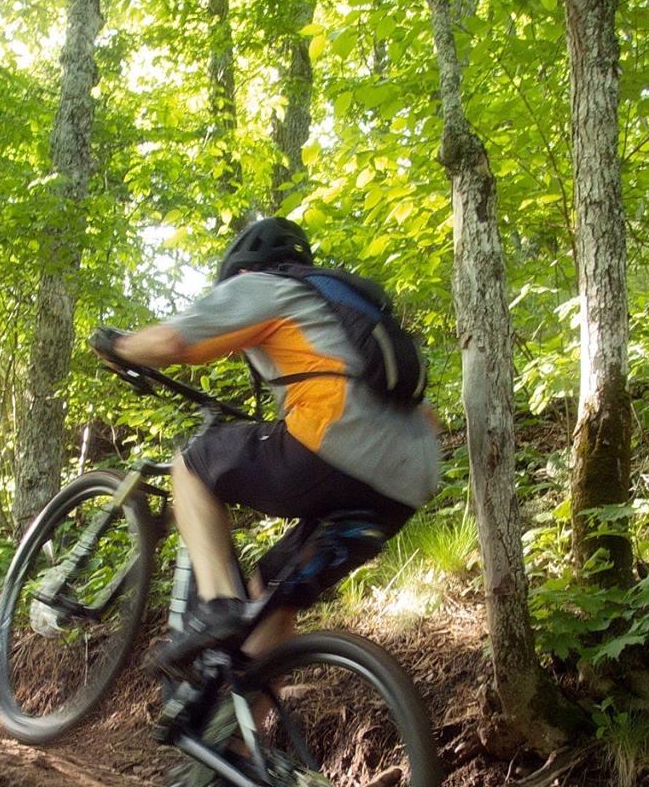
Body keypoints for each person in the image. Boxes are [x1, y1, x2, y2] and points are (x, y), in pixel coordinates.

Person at [90, 216, 440, 673]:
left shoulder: (265, 286)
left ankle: (216, 605)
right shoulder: (344, 311)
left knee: (193, 464)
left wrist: (120, 345)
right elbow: (426, 413)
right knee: (270, 596)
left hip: (333, 440)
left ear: (241, 270)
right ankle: (235, 743)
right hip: (408, 483)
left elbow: (176, 340)